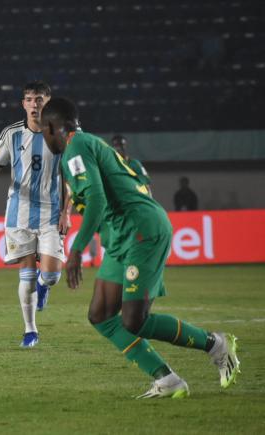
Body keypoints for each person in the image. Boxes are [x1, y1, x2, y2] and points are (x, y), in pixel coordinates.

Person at [40, 97, 240, 398]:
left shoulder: (76, 147)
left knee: (134, 320)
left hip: (142, 230)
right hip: (122, 237)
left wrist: (77, 249)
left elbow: (96, 200)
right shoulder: (80, 147)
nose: (44, 137)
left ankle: (216, 345)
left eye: (44, 131)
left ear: (53, 126)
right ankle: (167, 379)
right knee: (101, 315)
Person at [0, 80, 70, 348]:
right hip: (19, 211)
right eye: (29, 99)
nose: (34, 104)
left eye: (39, 99)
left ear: (47, 102)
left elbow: (70, 177)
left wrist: (66, 211)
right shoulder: (11, 134)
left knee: (51, 274)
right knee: (26, 273)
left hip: (51, 213)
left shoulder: (60, 133)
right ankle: (30, 330)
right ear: (23, 104)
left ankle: (45, 285)